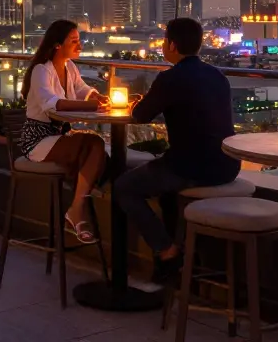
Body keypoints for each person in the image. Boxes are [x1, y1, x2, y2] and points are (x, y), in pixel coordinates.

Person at [114, 17, 240, 279]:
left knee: (123, 187)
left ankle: (167, 250)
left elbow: (140, 116)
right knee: (167, 193)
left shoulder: (170, 78)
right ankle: (179, 264)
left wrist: (135, 103)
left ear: (171, 44)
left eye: (163, 41)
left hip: (190, 167)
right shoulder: (217, 75)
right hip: (228, 165)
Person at [19, 19, 109, 243]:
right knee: (94, 146)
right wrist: (92, 106)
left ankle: (77, 208)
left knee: (96, 148)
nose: (80, 46)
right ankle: (78, 211)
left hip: (59, 136)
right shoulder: (42, 71)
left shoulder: (69, 67)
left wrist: (96, 97)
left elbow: (81, 89)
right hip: (38, 140)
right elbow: (51, 104)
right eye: (74, 41)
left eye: (79, 41)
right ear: (57, 44)